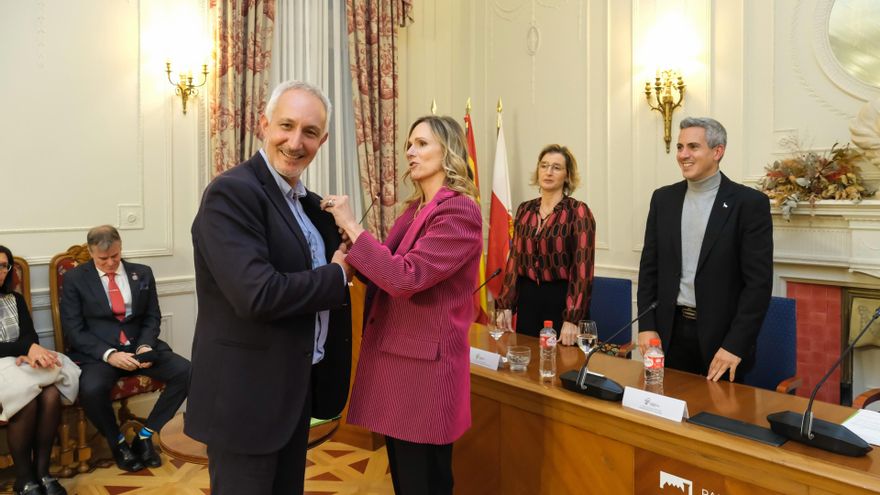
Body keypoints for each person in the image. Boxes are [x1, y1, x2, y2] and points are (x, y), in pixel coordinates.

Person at [186, 80, 352, 495]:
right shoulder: (232, 192)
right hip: (245, 403)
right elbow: (256, 294)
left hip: (291, 397)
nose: (295, 142)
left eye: (310, 132)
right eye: (286, 126)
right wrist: (338, 275)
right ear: (264, 124)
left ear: (323, 139)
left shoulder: (309, 205)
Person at [323, 115, 482, 495]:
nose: (410, 151)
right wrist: (349, 256)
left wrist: (352, 224)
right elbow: (384, 271)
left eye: (422, 143)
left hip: (426, 375)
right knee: (405, 479)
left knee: (425, 482)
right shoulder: (415, 209)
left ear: (450, 152)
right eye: (409, 144)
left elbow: (405, 278)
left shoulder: (460, 210)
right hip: (398, 366)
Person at [636, 117, 773, 382]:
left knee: (717, 420)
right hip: (669, 333)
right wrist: (646, 326)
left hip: (723, 339)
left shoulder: (749, 204)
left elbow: (758, 284)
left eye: (692, 147)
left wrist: (735, 345)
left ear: (717, 151)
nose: (683, 155)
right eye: (679, 147)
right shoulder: (663, 199)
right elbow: (649, 268)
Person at [60, 225, 191, 472]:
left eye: (115, 256)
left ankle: (144, 436)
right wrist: (110, 355)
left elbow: (152, 316)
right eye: (103, 258)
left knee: (186, 372)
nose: (111, 263)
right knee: (91, 389)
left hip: (139, 346)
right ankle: (118, 442)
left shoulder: (142, 273)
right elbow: (74, 330)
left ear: (121, 248)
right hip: (99, 354)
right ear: (90, 252)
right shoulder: (75, 279)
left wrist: (144, 347)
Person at [495, 144, 596, 345]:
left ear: (567, 175)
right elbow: (515, 260)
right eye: (544, 166)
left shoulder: (578, 212)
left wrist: (572, 318)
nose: (548, 172)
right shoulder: (525, 209)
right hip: (528, 300)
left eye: (556, 167)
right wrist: (506, 304)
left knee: (560, 366)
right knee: (527, 365)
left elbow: (582, 269)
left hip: (561, 301)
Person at [0, 245, 78, 495]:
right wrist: (26, 348)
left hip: (17, 363)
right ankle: (24, 478)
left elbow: (30, 335)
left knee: (52, 394)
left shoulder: (15, 299)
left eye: (3, 265)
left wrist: (29, 351)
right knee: (28, 399)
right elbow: (26, 343)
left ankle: (43, 472)